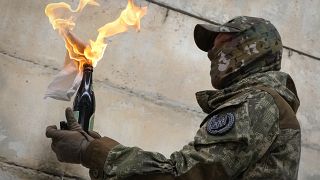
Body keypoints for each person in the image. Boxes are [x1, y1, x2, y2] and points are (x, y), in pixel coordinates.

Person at [46, 16, 301, 180]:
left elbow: (184, 176)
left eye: (221, 42)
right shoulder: (266, 104)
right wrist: (97, 154)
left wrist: (89, 151)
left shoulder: (257, 102)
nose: (212, 52)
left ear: (252, 49)